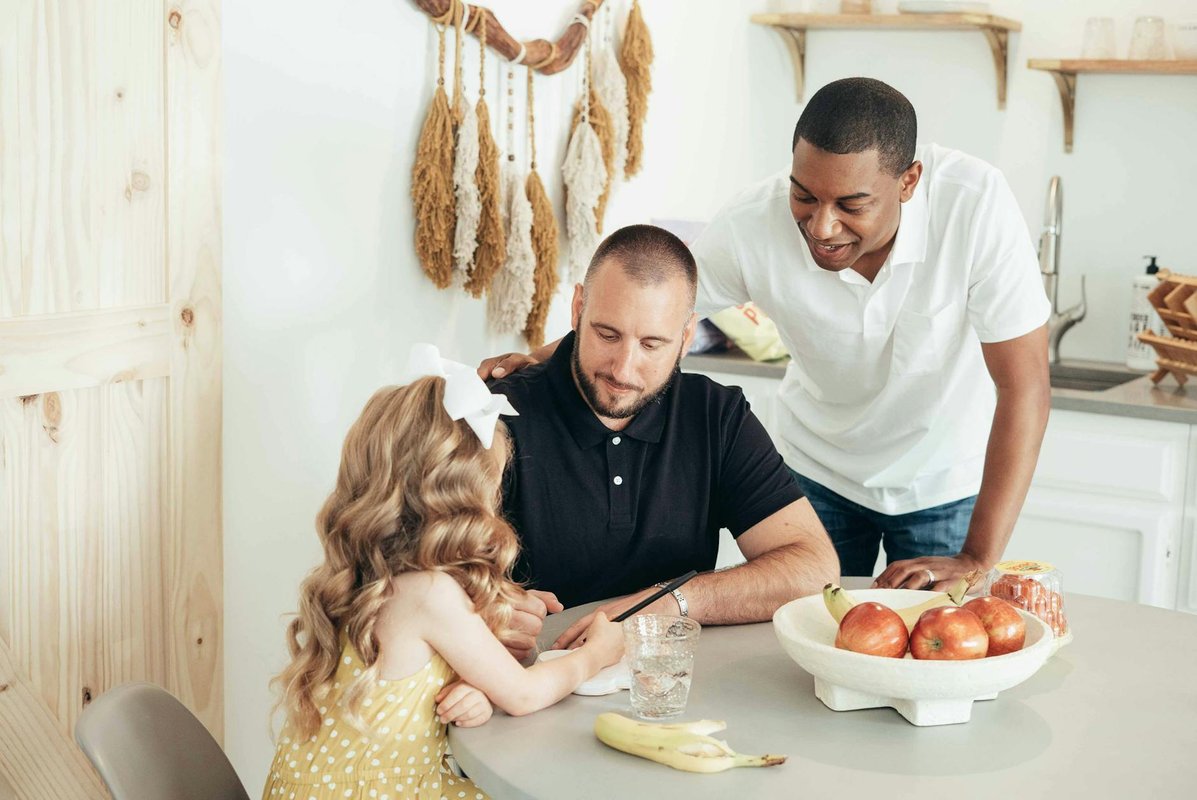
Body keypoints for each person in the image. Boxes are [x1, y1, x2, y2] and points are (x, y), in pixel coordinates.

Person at [481, 78, 1050, 595]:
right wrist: (535, 360)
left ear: (909, 182)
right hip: (820, 469)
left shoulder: (975, 206)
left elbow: (1024, 386)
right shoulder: (753, 223)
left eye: (851, 206)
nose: (821, 227)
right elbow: (651, 317)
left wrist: (978, 555)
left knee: (938, 660)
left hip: (940, 476)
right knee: (809, 655)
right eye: (805, 195)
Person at [262, 349, 623, 800]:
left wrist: (477, 689)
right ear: (462, 500)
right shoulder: (429, 593)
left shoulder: (365, 576)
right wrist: (598, 655)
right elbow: (525, 695)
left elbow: (410, 685)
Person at [487, 224, 840, 650]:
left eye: (652, 344)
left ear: (687, 336)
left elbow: (813, 568)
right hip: (527, 679)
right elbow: (410, 573)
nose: (623, 369)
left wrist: (671, 601)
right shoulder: (496, 414)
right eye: (607, 334)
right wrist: (481, 604)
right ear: (578, 307)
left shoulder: (716, 415)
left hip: (666, 681)